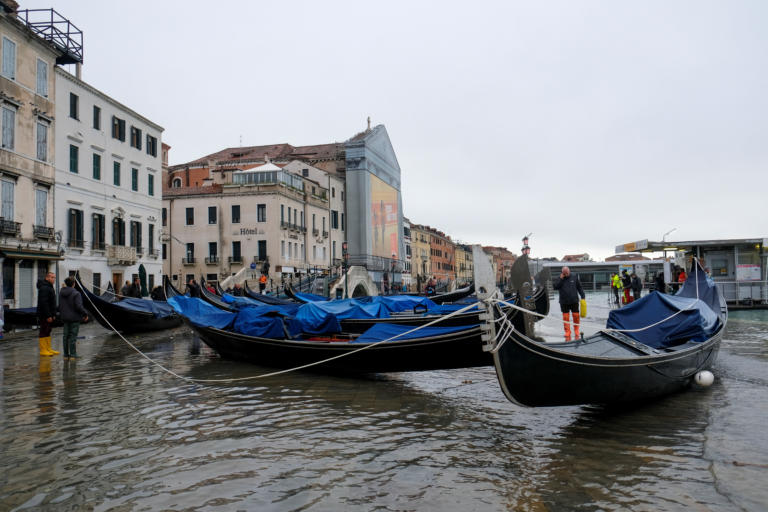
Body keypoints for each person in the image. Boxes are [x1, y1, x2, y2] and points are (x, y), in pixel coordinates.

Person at [553, 266, 585, 341]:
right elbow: (555, 287)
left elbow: (579, 287)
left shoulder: (574, 276)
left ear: (569, 271)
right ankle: (567, 331)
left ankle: (576, 330)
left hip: (574, 300)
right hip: (564, 301)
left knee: (576, 316)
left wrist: (583, 296)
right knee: (565, 317)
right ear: (562, 273)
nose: (566, 274)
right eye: (564, 273)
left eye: (567, 273)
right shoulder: (559, 278)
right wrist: (561, 278)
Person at [59, 277, 88, 358]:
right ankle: (73, 354)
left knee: (65, 336)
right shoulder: (76, 293)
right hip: (74, 318)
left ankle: (65, 355)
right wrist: (85, 314)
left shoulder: (61, 292)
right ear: (74, 284)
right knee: (73, 336)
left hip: (65, 317)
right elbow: (79, 306)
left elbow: (60, 305)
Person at [36, 271, 59, 356]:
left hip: (50, 314)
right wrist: (48, 315)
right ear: (47, 278)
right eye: (52, 277)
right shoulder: (44, 288)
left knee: (48, 331)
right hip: (44, 315)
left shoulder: (50, 287)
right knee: (44, 330)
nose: (53, 279)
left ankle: (48, 348)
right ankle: (43, 350)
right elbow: (44, 303)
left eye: (54, 277)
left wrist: (53, 314)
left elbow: (51, 302)